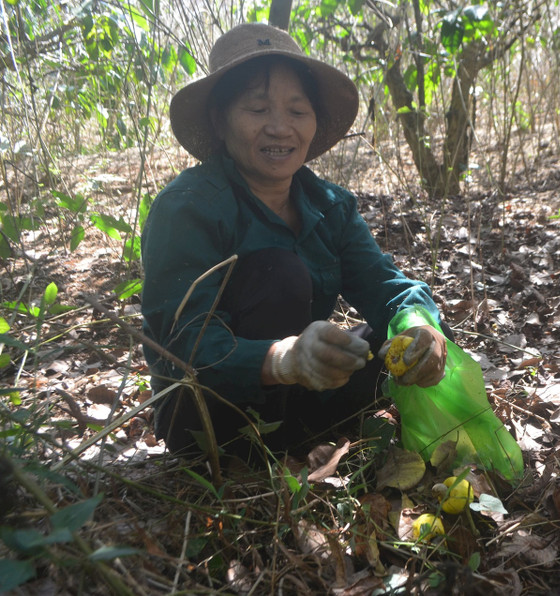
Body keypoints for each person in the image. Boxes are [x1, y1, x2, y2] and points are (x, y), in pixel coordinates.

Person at [141, 22, 449, 462]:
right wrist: (281, 360)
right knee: (280, 273)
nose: (280, 128)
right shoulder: (186, 208)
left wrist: (422, 325)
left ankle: (298, 437)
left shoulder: (329, 204)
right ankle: (266, 452)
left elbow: (385, 285)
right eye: (257, 109)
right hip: (212, 419)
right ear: (220, 120)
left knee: (394, 338)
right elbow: (181, 346)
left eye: (297, 111)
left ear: (314, 122)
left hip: (302, 399)